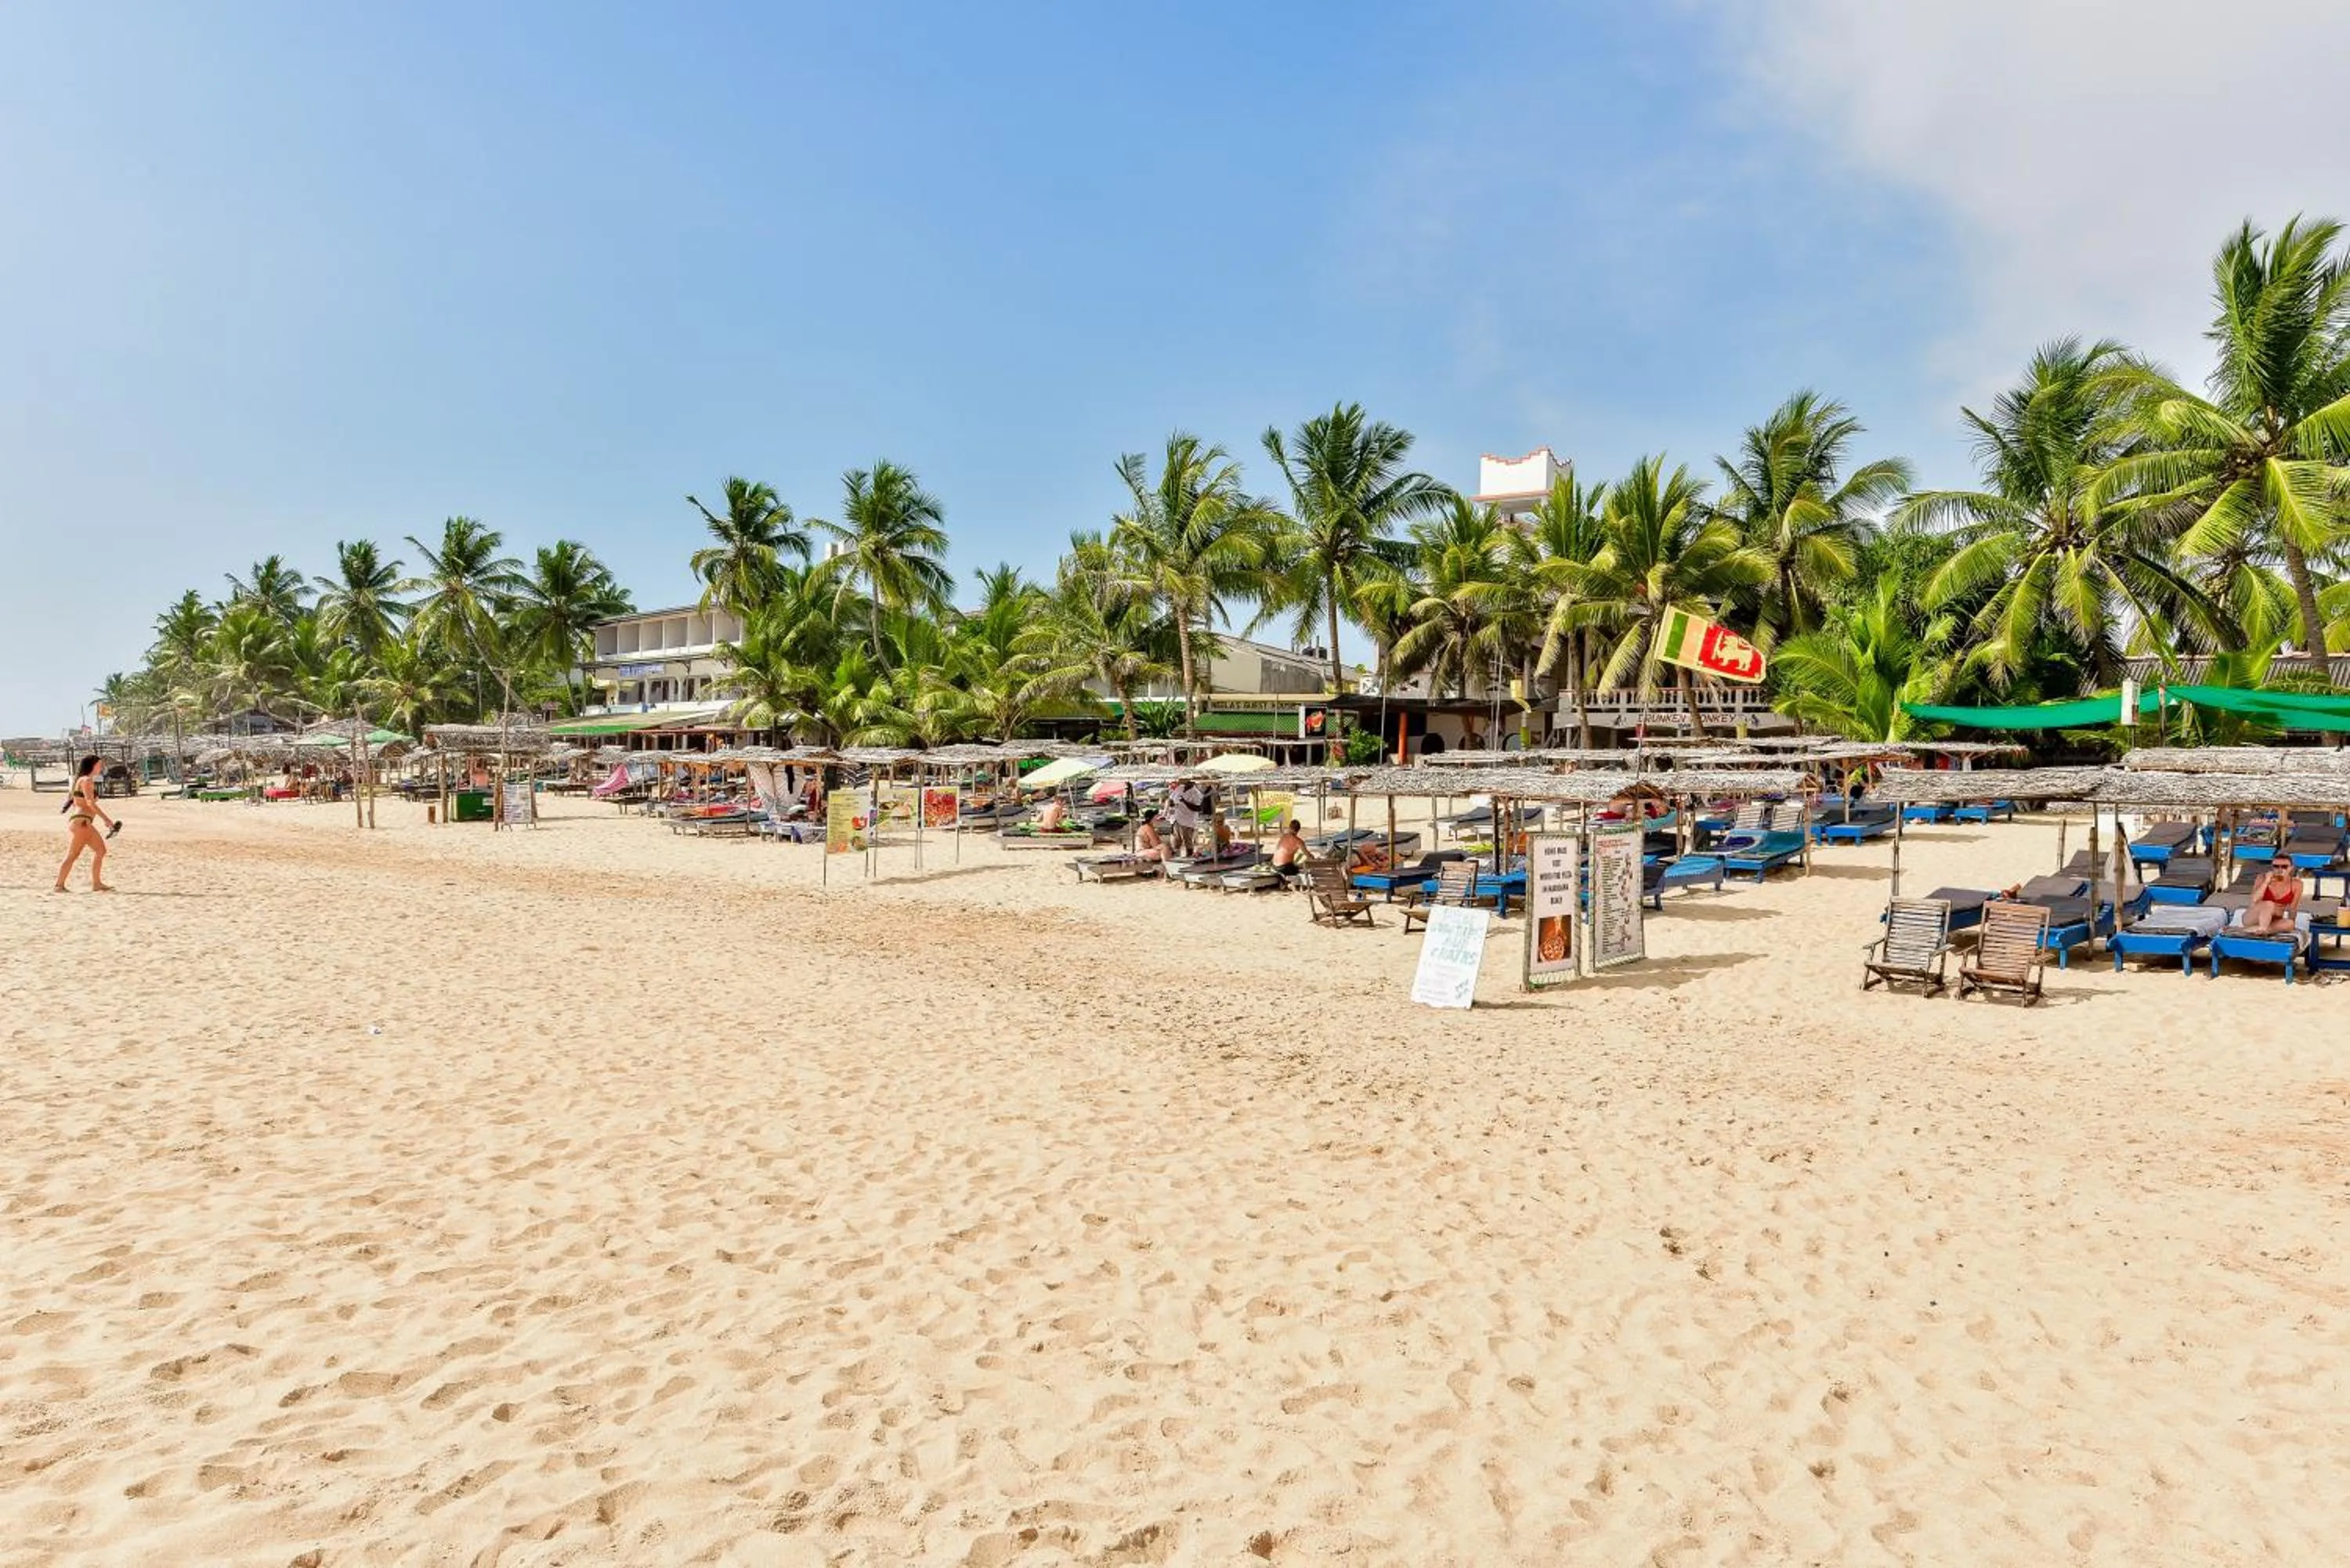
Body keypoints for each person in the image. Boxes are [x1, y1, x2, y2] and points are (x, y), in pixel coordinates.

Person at [54, 754, 118, 893]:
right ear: (92, 765)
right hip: (82, 823)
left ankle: (92, 884)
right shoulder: (87, 780)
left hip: (81, 822)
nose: (101, 767)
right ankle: (62, 885)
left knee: (95, 851)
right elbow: (90, 803)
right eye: (99, 765)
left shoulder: (82, 780)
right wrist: (106, 820)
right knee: (78, 854)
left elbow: (80, 802)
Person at [2243, 862, 2303, 935]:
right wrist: (2266, 882)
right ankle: (2261, 928)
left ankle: (2259, 930)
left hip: (2274, 920)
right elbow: (2254, 900)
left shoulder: (2296, 884)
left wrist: (2292, 927)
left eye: (2284, 867)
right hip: (2254, 917)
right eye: (2277, 866)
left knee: (2290, 923)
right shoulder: (2262, 878)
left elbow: (2293, 909)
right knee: (2269, 904)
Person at [1167, 779, 1202, 856]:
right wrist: (1172, 804)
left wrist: (1185, 802)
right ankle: (1176, 858)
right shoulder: (1179, 788)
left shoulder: (1196, 793)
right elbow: (1171, 799)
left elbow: (1198, 808)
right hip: (1176, 819)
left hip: (1188, 821)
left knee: (1188, 842)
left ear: (1192, 783)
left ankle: (1190, 857)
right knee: (1175, 842)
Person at [1271, 819, 1307, 883]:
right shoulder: (1299, 841)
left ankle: (1282, 878)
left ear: (1289, 827)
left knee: (1295, 865)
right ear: (1298, 830)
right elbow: (1308, 855)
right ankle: (1286, 881)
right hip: (1284, 868)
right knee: (1299, 868)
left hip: (1274, 866)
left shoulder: (1283, 836)